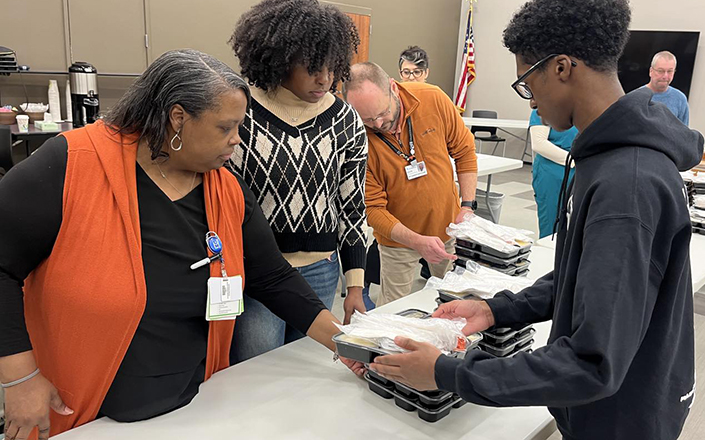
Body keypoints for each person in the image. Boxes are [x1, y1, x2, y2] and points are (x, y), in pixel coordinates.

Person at [369, 1, 704, 439]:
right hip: (605, 404)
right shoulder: (603, 157)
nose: (530, 98)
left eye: (528, 81)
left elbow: (593, 362)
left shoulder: (628, 183)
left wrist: (450, 374)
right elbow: (581, 275)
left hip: (623, 416)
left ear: (562, 68)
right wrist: (496, 309)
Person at [0, 49, 364, 440]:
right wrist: (19, 379)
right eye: (225, 128)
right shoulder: (72, 164)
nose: (236, 141)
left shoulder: (226, 190)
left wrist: (346, 343)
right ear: (178, 118)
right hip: (85, 414)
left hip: (191, 407)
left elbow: (272, 276)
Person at [227, 0, 368, 361]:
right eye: (311, 67)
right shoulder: (241, 113)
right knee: (256, 372)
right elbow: (224, 202)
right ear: (279, 58)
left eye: (331, 67)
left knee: (304, 374)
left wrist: (355, 285)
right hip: (258, 275)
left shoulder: (345, 121)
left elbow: (352, 207)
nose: (324, 79)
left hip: (322, 272)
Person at [343, 62, 478, 306]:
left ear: (393, 87)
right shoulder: (356, 135)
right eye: (368, 119)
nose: (378, 124)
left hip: (448, 226)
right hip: (398, 241)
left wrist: (467, 205)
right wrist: (415, 240)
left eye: (382, 113)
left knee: (455, 301)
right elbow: (373, 209)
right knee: (393, 310)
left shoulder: (432, 98)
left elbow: (464, 150)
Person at [529, 104, 579, 238]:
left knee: (576, 225)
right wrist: (572, 160)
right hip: (552, 172)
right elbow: (538, 143)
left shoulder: (584, 106)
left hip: (581, 171)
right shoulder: (544, 106)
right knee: (552, 227)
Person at [642, 51, 689, 125]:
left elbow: (684, 133)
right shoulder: (636, 98)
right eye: (660, 71)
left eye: (670, 71)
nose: (665, 76)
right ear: (651, 71)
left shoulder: (680, 99)